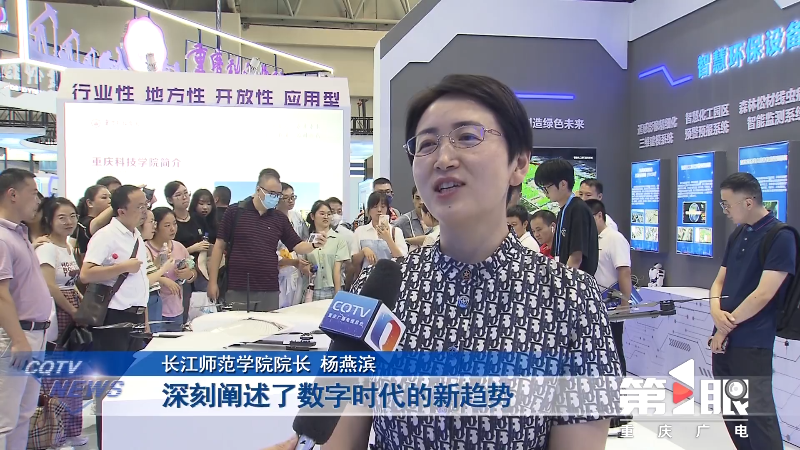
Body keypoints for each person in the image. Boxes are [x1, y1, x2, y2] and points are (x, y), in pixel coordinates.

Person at [273, 74, 621, 450]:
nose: (443, 158)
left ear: (519, 163)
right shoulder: (376, 288)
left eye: (467, 137)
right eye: (426, 144)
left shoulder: (572, 299)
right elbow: (338, 435)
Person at [710, 172, 793, 450]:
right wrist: (715, 312)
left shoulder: (780, 236)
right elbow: (719, 281)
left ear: (748, 202)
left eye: (727, 204)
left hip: (752, 340)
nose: (724, 210)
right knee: (732, 413)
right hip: (724, 338)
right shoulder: (739, 233)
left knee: (757, 416)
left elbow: (763, 294)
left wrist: (724, 327)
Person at [80, 184, 150, 449]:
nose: (145, 211)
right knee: (109, 385)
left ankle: (126, 439)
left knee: (129, 384)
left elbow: (140, 282)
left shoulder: (136, 236)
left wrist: (144, 320)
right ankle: (106, 441)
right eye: (139, 207)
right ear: (121, 210)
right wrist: (122, 267)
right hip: (112, 318)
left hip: (135, 317)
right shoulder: (106, 236)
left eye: (146, 205)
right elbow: (86, 273)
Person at [206, 169, 323, 312]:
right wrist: (212, 282)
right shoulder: (235, 212)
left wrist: (314, 244)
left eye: (278, 195)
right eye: (271, 193)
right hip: (238, 286)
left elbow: (297, 245)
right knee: (238, 325)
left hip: (269, 287)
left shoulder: (279, 218)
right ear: (258, 190)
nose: (275, 198)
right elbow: (219, 247)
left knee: (268, 325)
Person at [0, 168, 51, 450]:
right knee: (5, 418)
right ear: (13, 194)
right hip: (16, 336)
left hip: (33, 335)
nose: (37, 201)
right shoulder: (2, 237)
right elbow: (1, 295)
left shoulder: (18, 233)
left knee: (23, 414)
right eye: (33, 193)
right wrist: (18, 340)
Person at [586, 199, 632, 376]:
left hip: (612, 303)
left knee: (614, 347)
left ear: (599, 216)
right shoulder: (591, 239)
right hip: (595, 303)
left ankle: (619, 384)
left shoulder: (614, 238)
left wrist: (625, 303)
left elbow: (624, 271)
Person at [534, 158, 598, 274]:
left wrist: (563, 281)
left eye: (546, 187)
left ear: (563, 184)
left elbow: (576, 256)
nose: (545, 192)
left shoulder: (578, 209)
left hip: (576, 281)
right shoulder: (563, 211)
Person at [145, 207, 196, 331]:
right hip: (154, 309)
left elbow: (193, 273)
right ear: (155, 226)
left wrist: (188, 274)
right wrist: (163, 279)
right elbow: (143, 278)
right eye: (167, 225)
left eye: (174, 223)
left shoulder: (179, 247)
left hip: (177, 308)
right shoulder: (145, 249)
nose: (173, 228)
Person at [304, 200, 351, 300]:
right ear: (312, 216)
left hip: (332, 289)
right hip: (312, 290)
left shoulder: (339, 239)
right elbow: (303, 265)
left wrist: (337, 296)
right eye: (322, 214)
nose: (326, 217)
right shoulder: (307, 241)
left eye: (329, 214)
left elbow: (337, 270)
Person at [352, 191, 408, 269]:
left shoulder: (396, 231)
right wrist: (364, 251)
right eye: (375, 207)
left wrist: (388, 238)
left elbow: (402, 260)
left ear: (387, 210)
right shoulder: (360, 231)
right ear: (369, 211)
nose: (379, 210)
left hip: (390, 275)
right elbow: (354, 262)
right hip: (367, 275)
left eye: (383, 206)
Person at [393, 186, 427, 251]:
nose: (421, 202)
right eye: (417, 198)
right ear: (413, 199)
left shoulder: (438, 219)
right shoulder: (404, 220)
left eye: (424, 198)